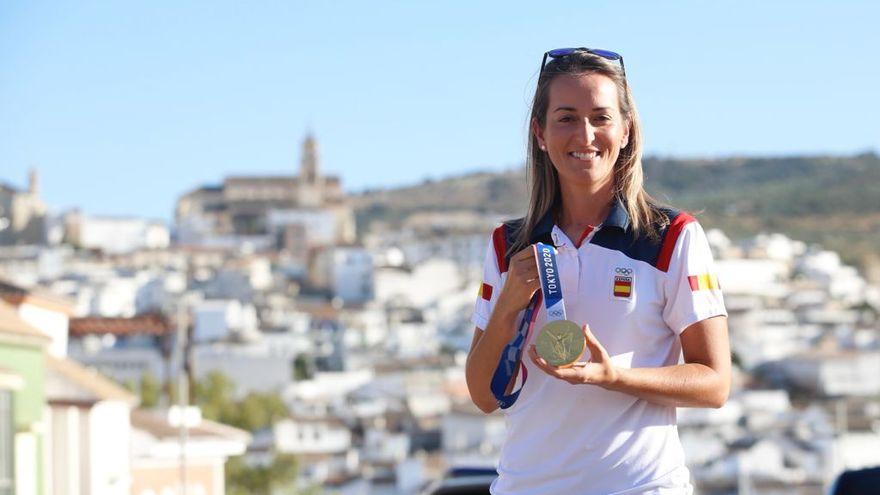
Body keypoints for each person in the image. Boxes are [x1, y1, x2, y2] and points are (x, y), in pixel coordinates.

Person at [465, 48, 731, 494]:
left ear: (626, 130)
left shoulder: (673, 237)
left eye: (600, 117)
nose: (584, 134)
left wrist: (615, 377)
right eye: (566, 117)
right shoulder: (506, 245)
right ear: (541, 134)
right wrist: (510, 302)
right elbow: (482, 395)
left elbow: (714, 382)